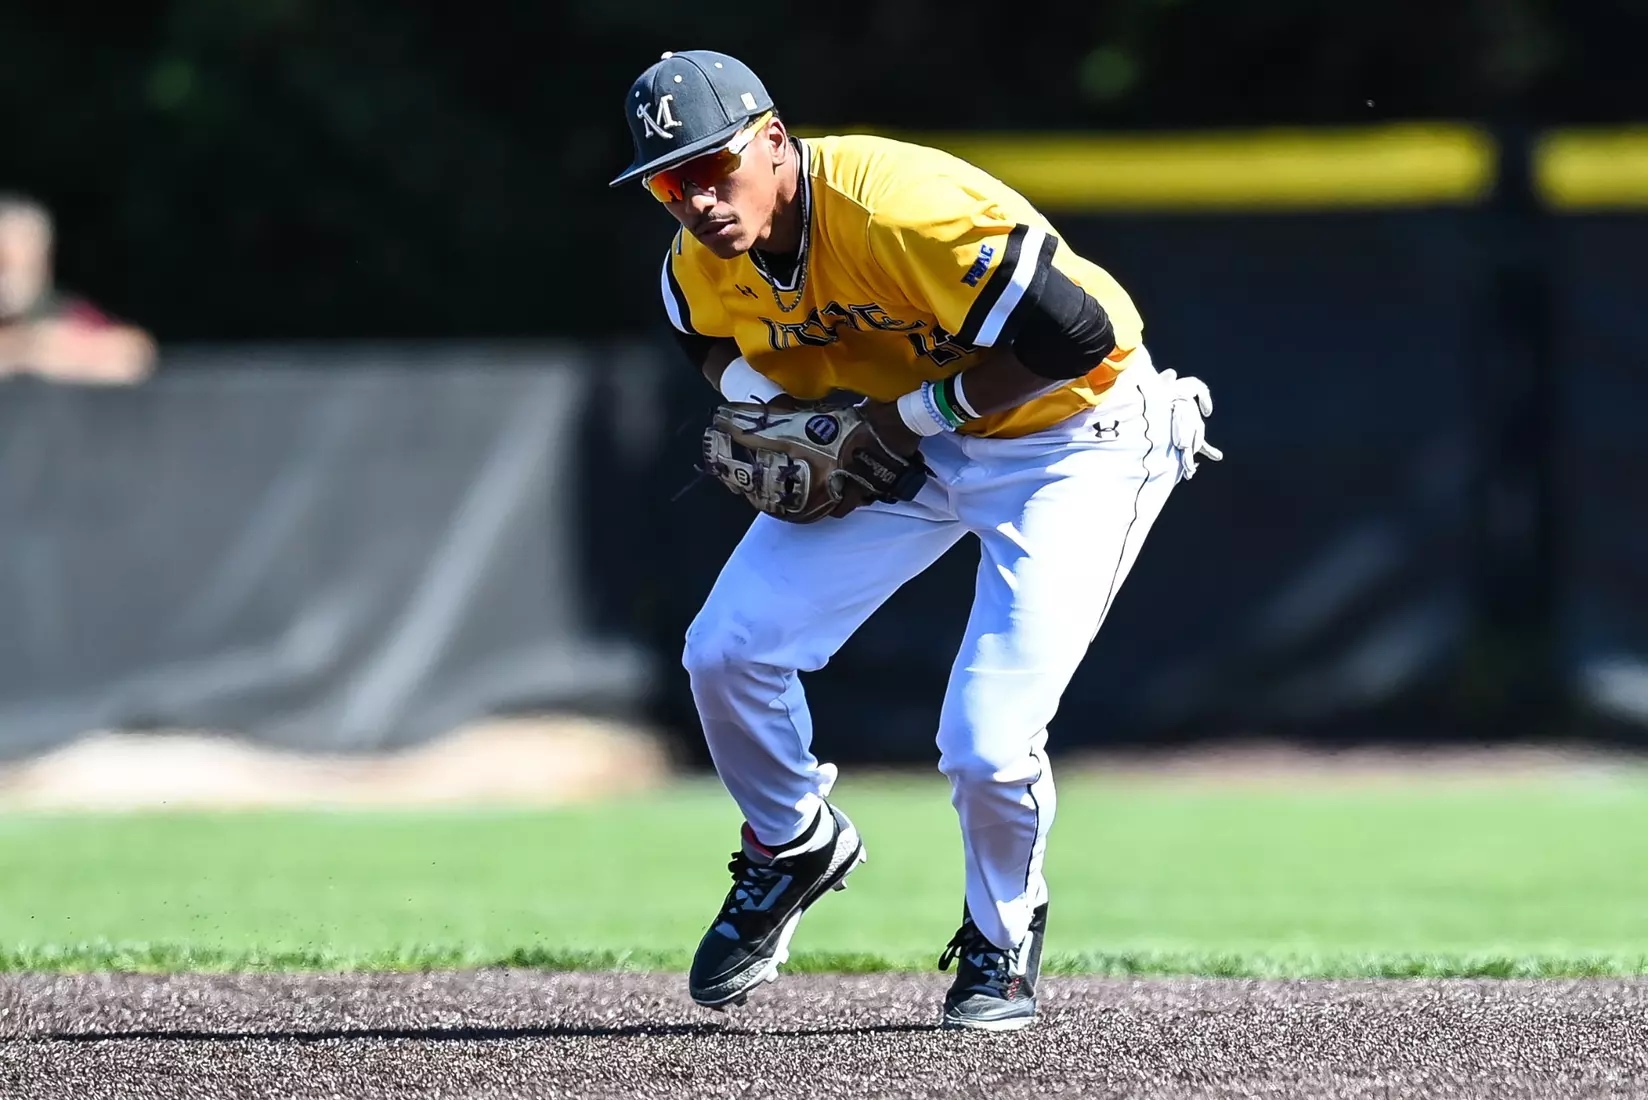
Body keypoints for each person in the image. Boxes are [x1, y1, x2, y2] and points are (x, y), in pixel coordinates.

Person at [609, 50, 1221, 1031]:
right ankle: (792, 842)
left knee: (986, 742)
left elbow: (1079, 335)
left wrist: (906, 419)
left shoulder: (898, 209)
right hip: (904, 440)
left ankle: (1001, 937)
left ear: (773, 141)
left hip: (1075, 437)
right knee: (726, 650)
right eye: (668, 185)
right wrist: (780, 407)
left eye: (713, 167)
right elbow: (705, 341)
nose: (698, 200)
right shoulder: (701, 257)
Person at [0, 194, 155, 386]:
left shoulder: (64, 314)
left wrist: (59, 350)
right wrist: (23, 347)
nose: (9, 277)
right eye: (4, 264)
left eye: (26, 265)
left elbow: (134, 353)